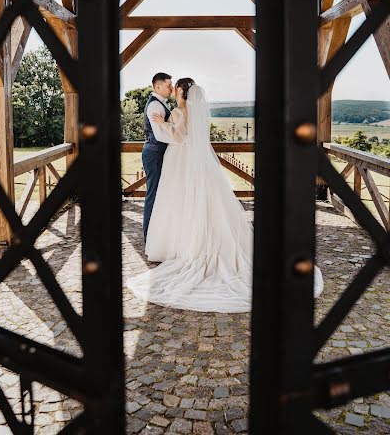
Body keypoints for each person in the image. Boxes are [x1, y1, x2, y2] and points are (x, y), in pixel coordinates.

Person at [128, 79, 324, 312]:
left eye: (176, 88)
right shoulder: (193, 110)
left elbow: (180, 137)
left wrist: (165, 124)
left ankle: (179, 245)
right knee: (197, 201)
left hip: (180, 159)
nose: (174, 91)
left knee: (179, 202)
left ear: (181, 92)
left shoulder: (181, 111)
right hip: (193, 160)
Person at [142, 72, 173, 241]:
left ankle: (158, 233)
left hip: (158, 152)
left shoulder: (160, 104)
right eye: (169, 85)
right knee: (153, 193)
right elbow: (160, 136)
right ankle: (149, 236)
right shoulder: (155, 106)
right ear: (158, 86)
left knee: (160, 193)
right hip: (154, 153)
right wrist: (180, 140)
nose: (171, 88)